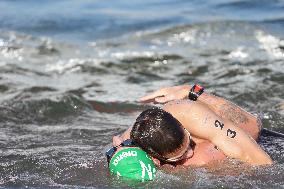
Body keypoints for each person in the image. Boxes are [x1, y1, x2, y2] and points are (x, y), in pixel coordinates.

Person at [113, 84, 273, 167]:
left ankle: (189, 90)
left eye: (188, 143)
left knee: (254, 128)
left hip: (251, 130)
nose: (189, 153)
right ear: (154, 157)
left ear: (183, 127)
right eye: (179, 156)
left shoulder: (193, 115)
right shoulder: (131, 143)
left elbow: (261, 161)